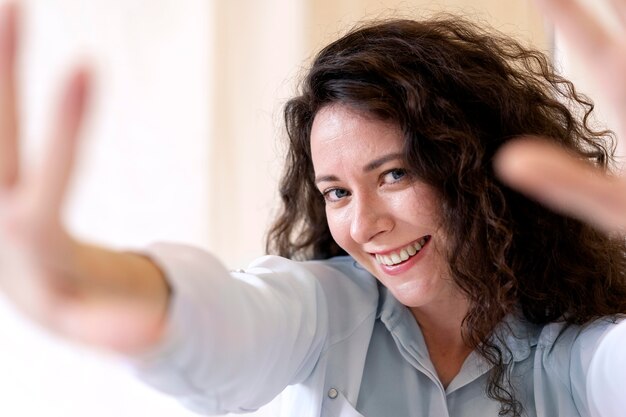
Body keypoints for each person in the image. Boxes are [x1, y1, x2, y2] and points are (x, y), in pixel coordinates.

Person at [0, 1, 625, 417]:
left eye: (396, 173)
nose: (362, 223)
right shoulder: (329, 311)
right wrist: (81, 272)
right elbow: (233, 317)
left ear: (474, 169)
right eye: (337, 191)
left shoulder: (568, 353)